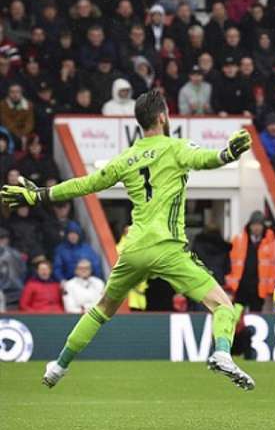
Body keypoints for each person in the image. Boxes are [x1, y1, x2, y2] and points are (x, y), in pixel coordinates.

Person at [1, 90, 257, 389]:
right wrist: (228, 154)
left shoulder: (126, 158)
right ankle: (223, 353)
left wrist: (40, 194)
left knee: (101, 309)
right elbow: (204, 159)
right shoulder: (175, 147)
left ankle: (58, 365)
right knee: (222, 305)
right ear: (162, 117)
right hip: (167, 247)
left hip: (134, 249)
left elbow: (85, 184)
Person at [225, 211, 275, 314]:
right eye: (254, 225)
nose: (256, 228)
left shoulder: (270, 242)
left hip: (258, 288)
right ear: (250, 226)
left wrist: (270, 289)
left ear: (263, 227)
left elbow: (272, 267)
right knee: (237, 315)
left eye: (259, 225)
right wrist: (230, 283)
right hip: (241, 286)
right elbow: (230, 261)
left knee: (256, 316)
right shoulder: (238, 240)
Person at [0, 227, 25, 307]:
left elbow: (23, 271)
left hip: (14, 292)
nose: (3, 241)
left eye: (3, 238)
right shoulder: (16, 253)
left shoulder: (16, 254)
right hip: (14, 291)